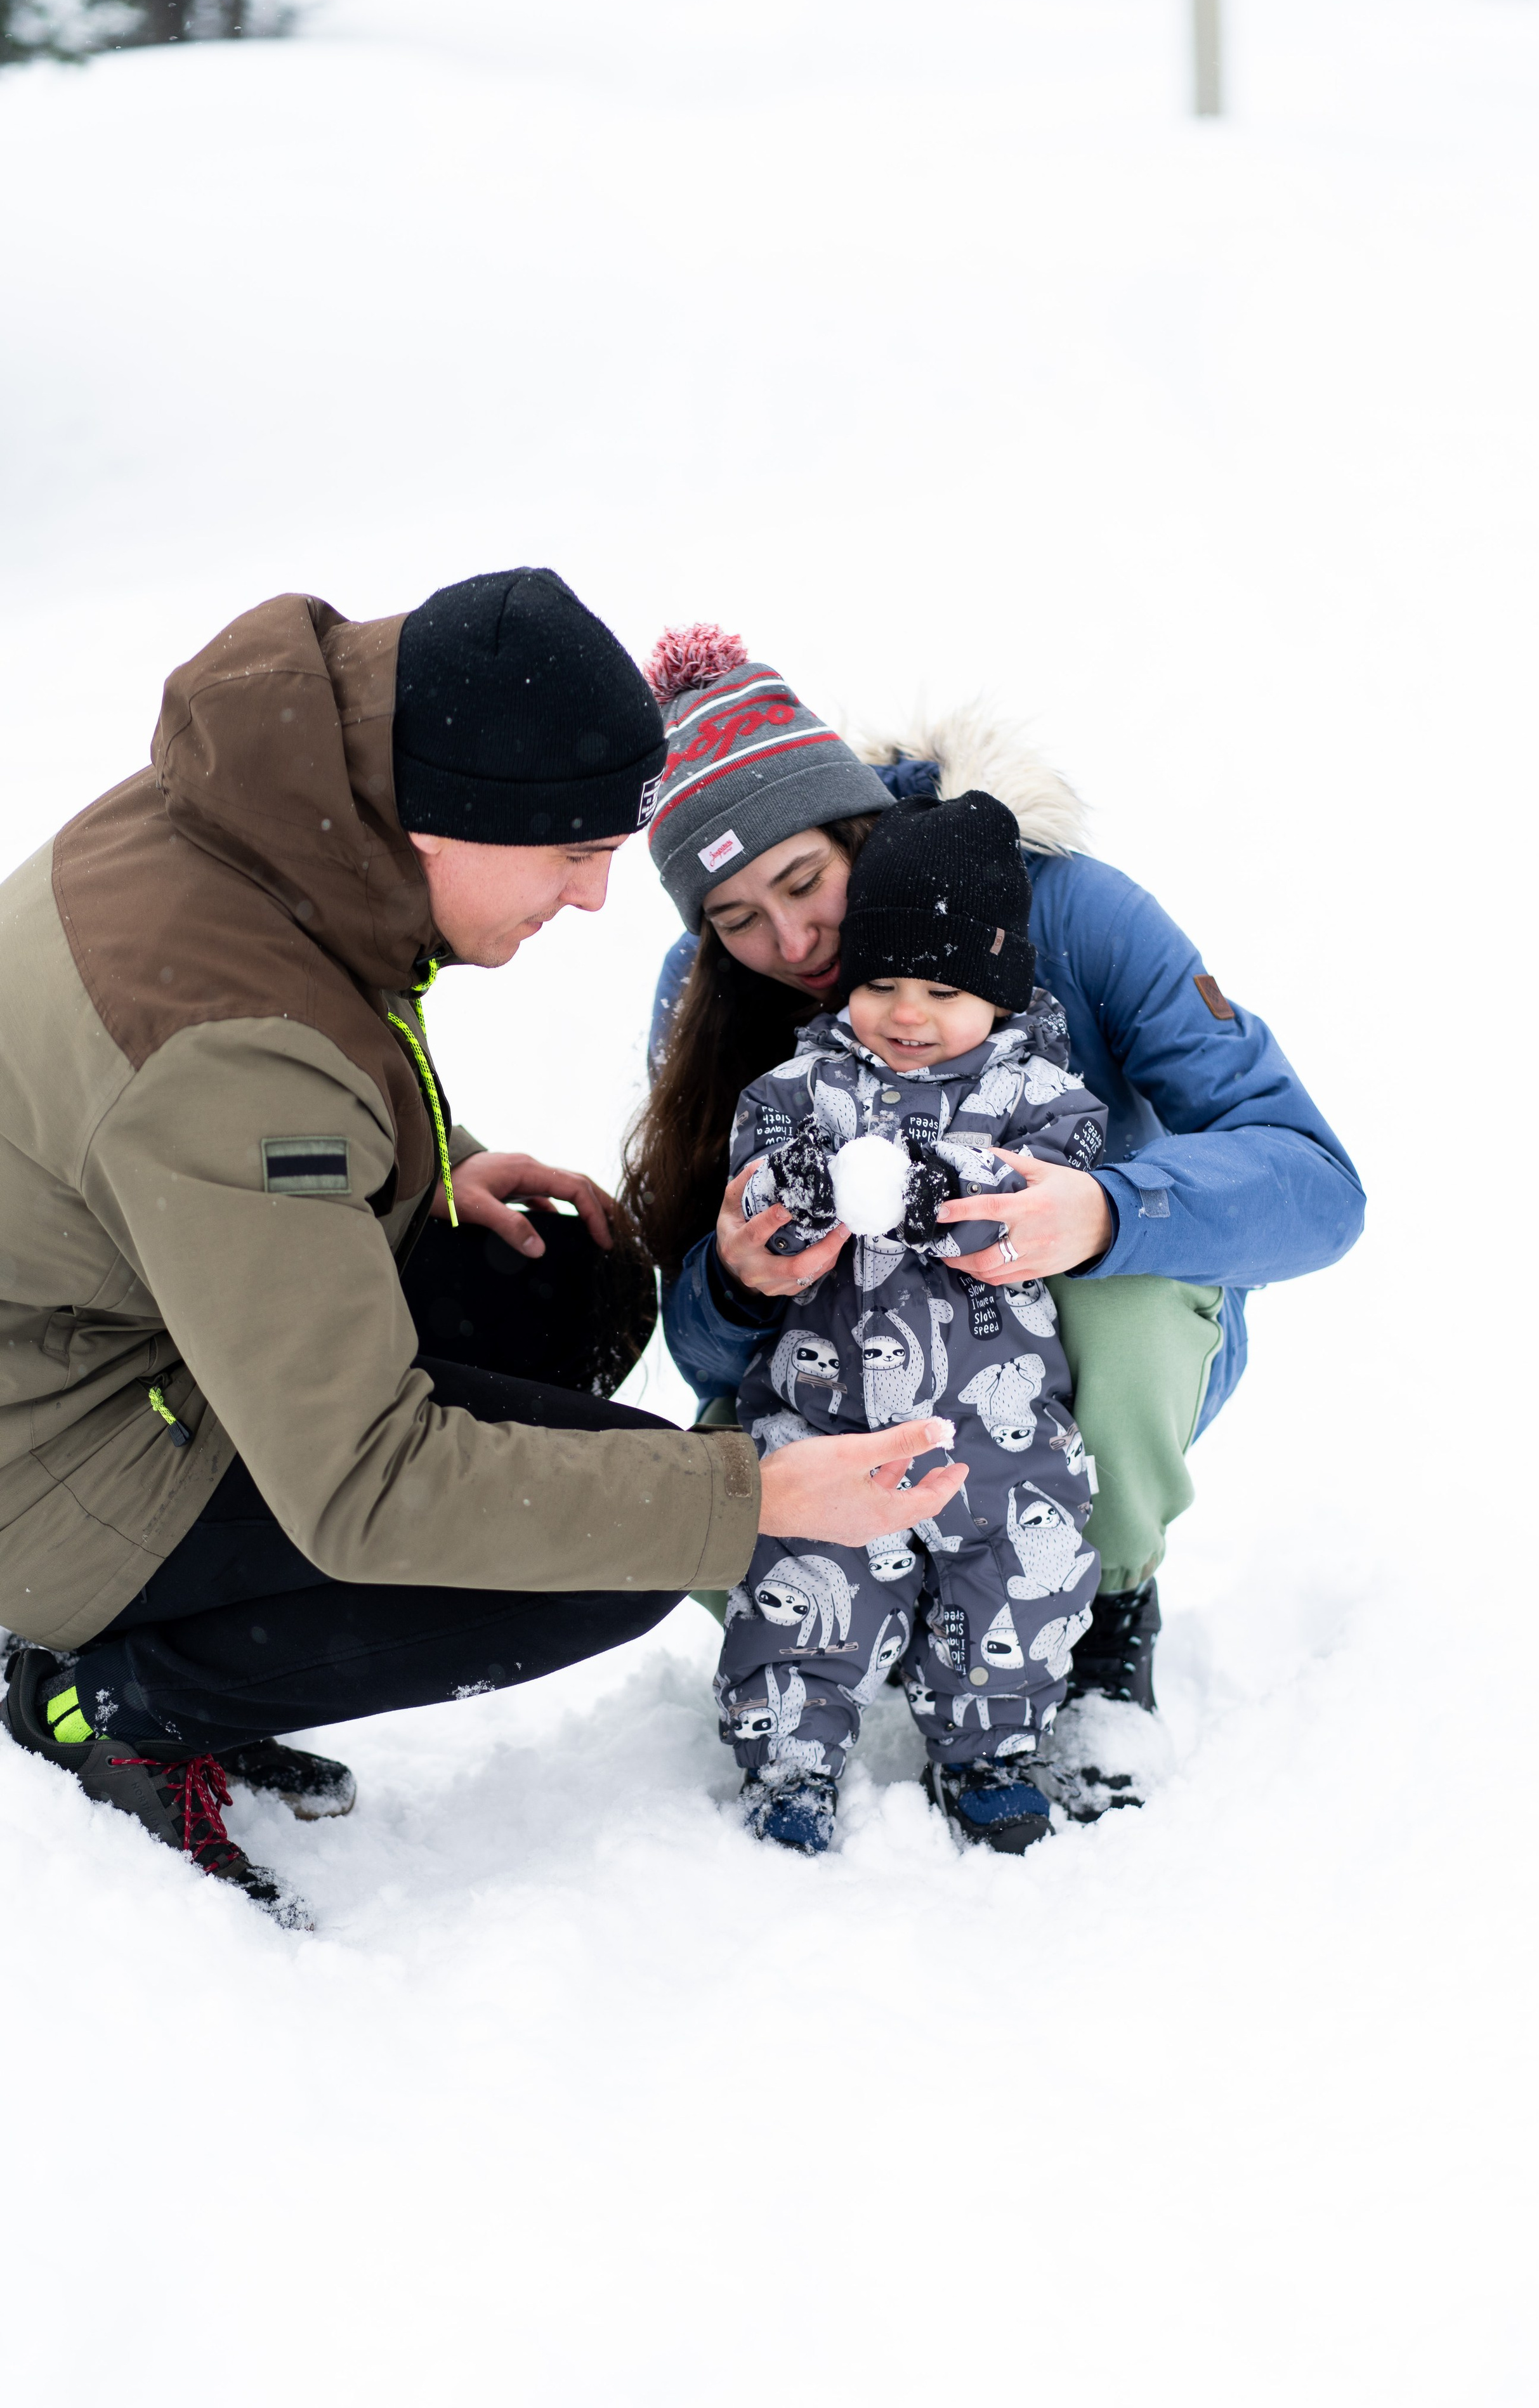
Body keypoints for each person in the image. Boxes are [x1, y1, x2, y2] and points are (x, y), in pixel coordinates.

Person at [0, 572, 967, 1925]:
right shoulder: (234, 1052)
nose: (586, 899)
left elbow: (222, 1076)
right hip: (53, 1463)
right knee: (616, 1546)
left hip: (109, 1318)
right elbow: (363, 1484)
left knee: (554, 1272)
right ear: (445, 823)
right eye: (570, 855)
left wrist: (423, 1161)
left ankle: (192, 1645)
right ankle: (109, 1698)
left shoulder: (264, 807)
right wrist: (751, 1499)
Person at [621, 624, 1365, 1819]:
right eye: (737, 916)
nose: (793, 943)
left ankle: (1104, 1601)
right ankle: (859, 1635)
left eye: (807, 881)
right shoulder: (716, 999)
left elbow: (1320, 1189)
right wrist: (736, 1285)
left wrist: (1108, 1212)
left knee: (1111, 1303)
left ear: (855, 822)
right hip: (854, 1370)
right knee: (740, 1467)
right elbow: (700, 1351)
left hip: (1075, 1351)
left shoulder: (1072, 913)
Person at [716, 788, 1113, 1856]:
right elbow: (752, 1192)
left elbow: (1049, 1179)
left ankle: (989, 1750)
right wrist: (803, 1185)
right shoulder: (804, 1089)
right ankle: (791, 1758)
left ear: (997, 993)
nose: (906, 1012)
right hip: (829, 1417)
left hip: (1001, 1426)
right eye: (882, 982)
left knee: (1013, 1587)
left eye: (943, 988)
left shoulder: (1039, 1094)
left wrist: (930, 1184)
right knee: (808, 1578)